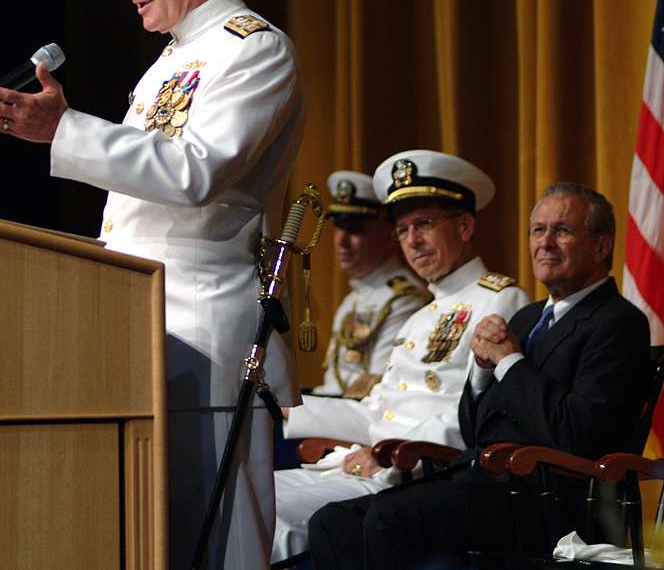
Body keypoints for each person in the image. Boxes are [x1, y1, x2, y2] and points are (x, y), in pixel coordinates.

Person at [0, 0, 304, 569]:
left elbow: (196, 172)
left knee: (218, 545)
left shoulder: (254, 49)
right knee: (152, 540)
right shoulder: (170, 63)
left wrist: (66, 131)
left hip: (206, 333)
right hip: (138, 325)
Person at [307, 182, 650, 570]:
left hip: (551, 499)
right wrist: (482, 376)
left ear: (601, 246)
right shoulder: (528, 318)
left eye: (562, 230)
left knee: (389, 518)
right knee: (331, 522)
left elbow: (579, 433)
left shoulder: (618, 322)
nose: (545, 242)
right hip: (486, 482)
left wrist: (508, 363)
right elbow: (476, 430)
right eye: (538, 230)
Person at [272, 149, 530, 564]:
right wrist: (287, 406)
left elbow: (477, 415)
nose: (412, 240)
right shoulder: (423, 315)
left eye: (425, 223)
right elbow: (379, 410)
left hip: (416, 473)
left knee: (268, 515)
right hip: (372, 463)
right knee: (243, 492)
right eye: (403, 229)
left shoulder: (499, 299)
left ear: (464, 226)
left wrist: (388, 453)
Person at [311, 170, 430, 399]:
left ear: (389, 234)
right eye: (338, 227)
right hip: (334, 412)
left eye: (355, 230)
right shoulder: (354, 297)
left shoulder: (403, 298)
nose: (341, 242)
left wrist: (307, 412)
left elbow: (376, 387)